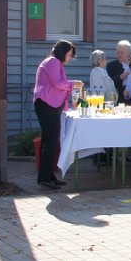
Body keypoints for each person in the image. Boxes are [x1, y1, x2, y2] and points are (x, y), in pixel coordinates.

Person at [32, 39, 82, 190]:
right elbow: (57, 83)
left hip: (49, 104)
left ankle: (47, 176)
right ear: (64, 52)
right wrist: (74, 84)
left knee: (51, 140)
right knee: (50, 140)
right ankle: (45, 177)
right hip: (46, 104)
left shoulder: (54, 62)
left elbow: (59, 84)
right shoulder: (53, 62)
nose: (70, 58)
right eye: (69, 55)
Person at [106, 40, 131, 104]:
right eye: (117, 52)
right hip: (118, 99)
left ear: (128, 53)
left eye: (121, 52)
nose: (119, 55)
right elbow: (108, 83)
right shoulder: (111, 66)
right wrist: (120, 77)